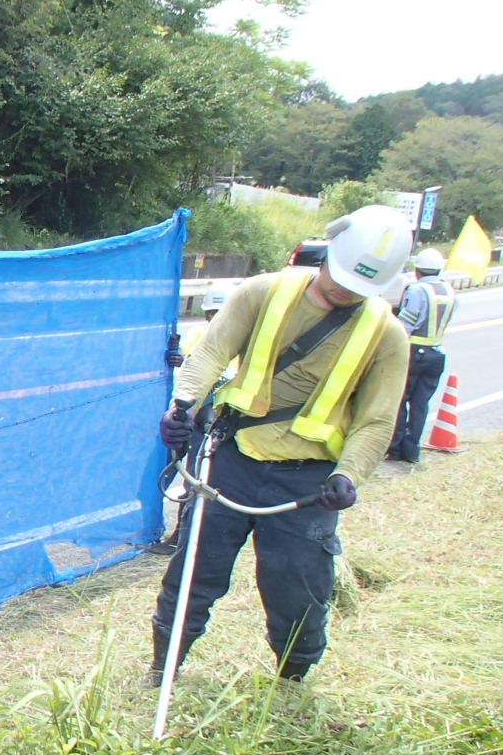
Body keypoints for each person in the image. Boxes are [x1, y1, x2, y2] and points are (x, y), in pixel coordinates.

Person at [147, 205, 412, 685]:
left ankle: (292, 682)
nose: (345, 290)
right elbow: (211, 351)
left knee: (298, 591)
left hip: (309, 485)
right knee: (193, 575)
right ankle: (163, 667)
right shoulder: (263, 292)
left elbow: (376, 420)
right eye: (340, 276)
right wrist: (183, 405)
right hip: (231, 460)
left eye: (359, 286)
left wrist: (348, 475)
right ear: (327, 250)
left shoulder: (387, 336)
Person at [150, 287, 232, 554]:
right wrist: (175, 357)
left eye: (218, 313)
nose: (214, 318)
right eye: (210, 313)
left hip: (214, 419)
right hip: (188, 415)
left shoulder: (242, 336)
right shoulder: (200, 335)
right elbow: (188, 365)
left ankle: (182, 540)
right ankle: (152, 527)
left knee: (196, 480)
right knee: (166, 469)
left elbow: (233, 375)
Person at [387, 247, 458, 464]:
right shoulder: (449, 291)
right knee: (420, 403)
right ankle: (412, 450)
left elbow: (406, 324)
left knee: (400, 401)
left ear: (417, 270)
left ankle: (396, 448)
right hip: (437, 353)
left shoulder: (417, 290)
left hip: (413, 352)